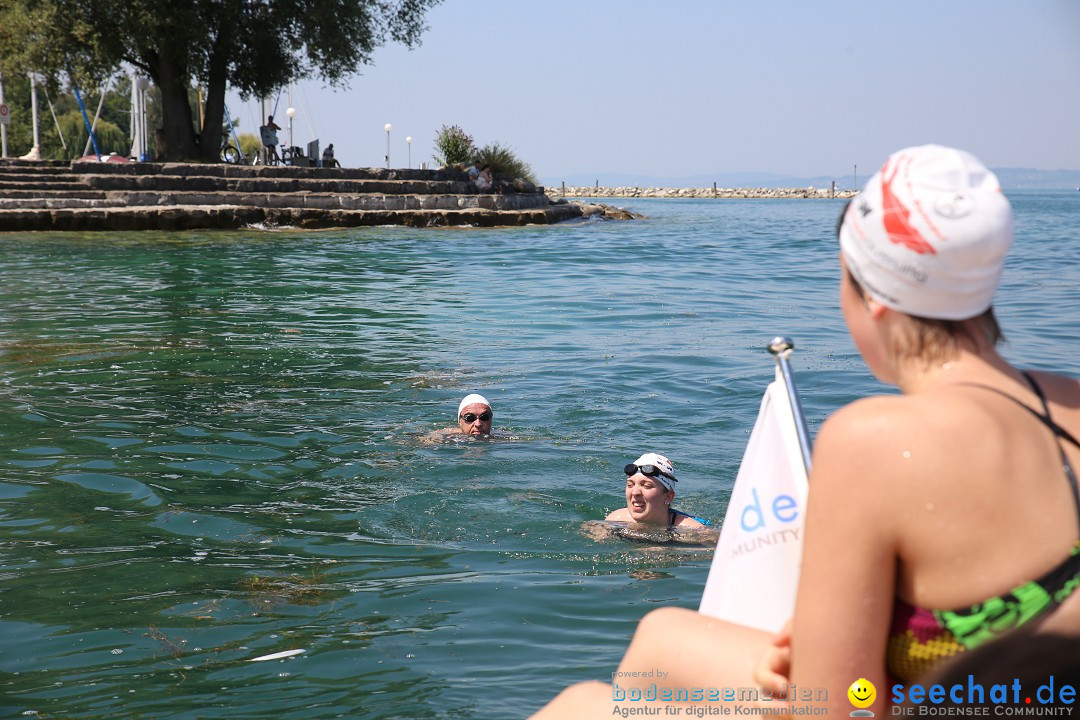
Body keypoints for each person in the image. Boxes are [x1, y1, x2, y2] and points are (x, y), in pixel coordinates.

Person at [530, 145, 1080, 718]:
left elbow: (844, 705)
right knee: (663, 634)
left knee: (581, 704)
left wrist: (803, 682)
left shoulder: (870, 440)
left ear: (870, 295)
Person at [604, 453, 708, 528]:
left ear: (668, 496)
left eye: (647, 486)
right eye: (630, 485)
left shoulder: (692, 530)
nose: (635, 492)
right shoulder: (615, 520)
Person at [422, 394, 494, 442]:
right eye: (469, 418)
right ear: (459, 421)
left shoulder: (502, 439)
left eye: (485, 417)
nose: (478, 424)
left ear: (491, 420)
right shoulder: (443, 437)